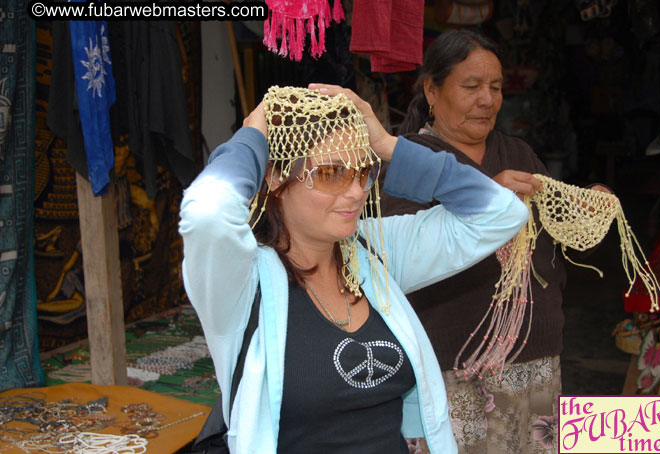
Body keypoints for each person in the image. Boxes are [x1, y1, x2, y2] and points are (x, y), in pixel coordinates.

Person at [179, 84, 528, 453]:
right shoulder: (240, 278)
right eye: (331, 173)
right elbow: (208, 213)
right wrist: (252, 138)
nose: (355, 192)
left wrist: (388, 145)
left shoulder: (374, 250)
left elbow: (503, 213)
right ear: (276, 176)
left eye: (364, 171)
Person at [384, 29, 610, 454]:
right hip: (455, 367)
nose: (487, 99)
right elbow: (395, 255)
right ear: (432, 90)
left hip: (537, 359)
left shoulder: (519, 153)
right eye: (471, 87)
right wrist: (488, 197)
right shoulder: (409, 160)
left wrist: (586, 213)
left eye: (496, 87)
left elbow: (559, 241)